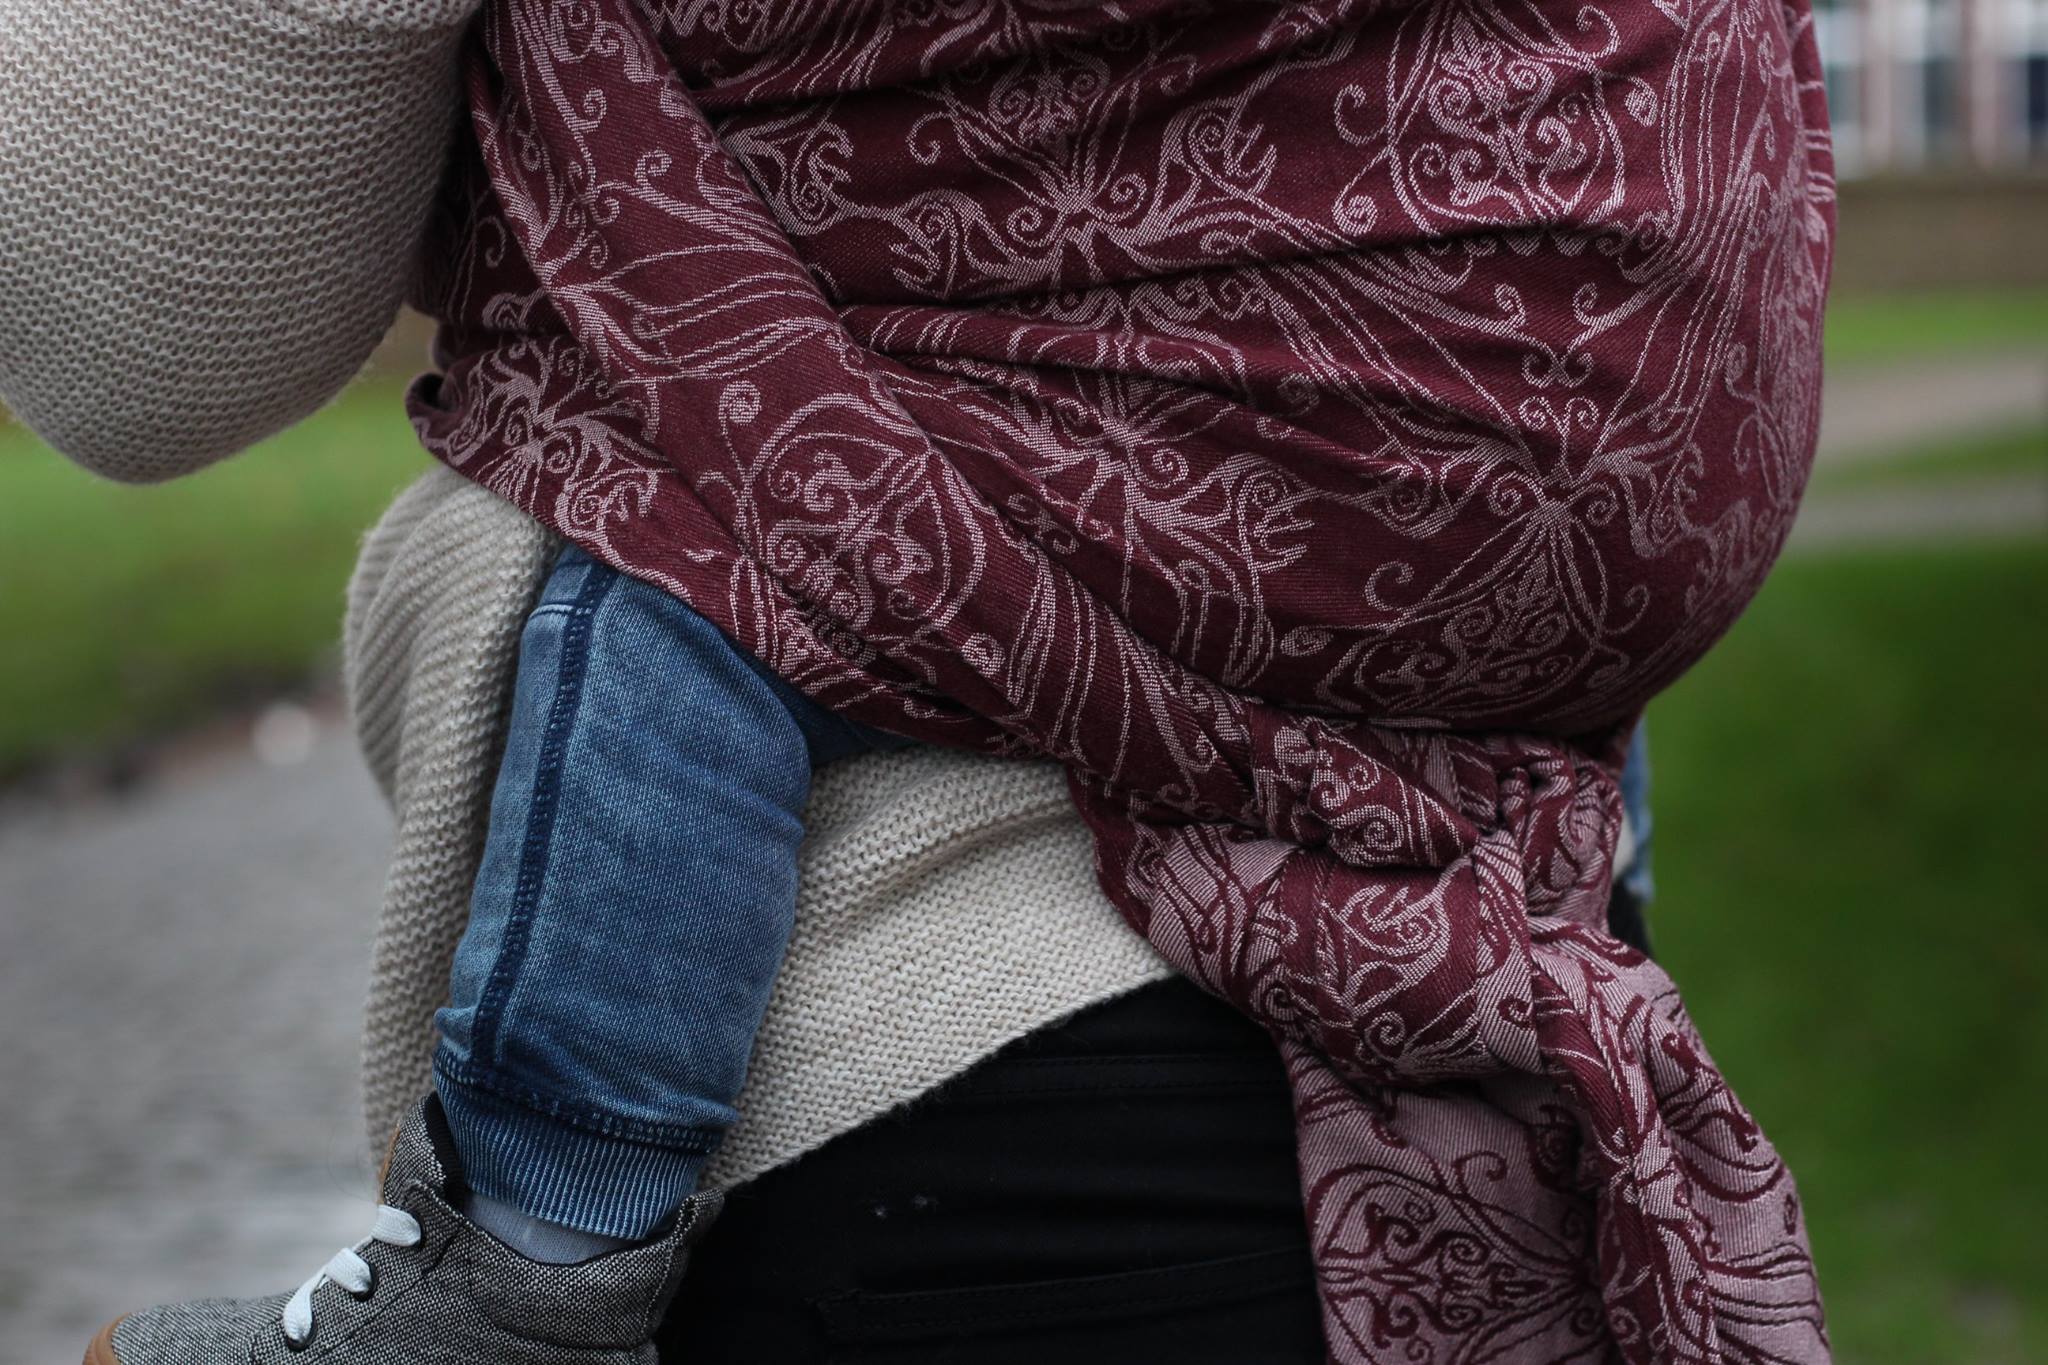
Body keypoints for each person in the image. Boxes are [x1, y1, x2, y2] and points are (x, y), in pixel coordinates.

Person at [1, 1, 1822, 1362]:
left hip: (934, 1110)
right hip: (1514, 847)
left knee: (701, 521)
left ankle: (531, 1259)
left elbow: (137, 336)